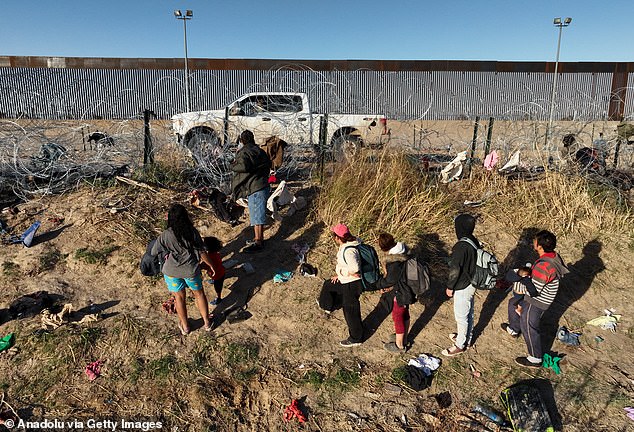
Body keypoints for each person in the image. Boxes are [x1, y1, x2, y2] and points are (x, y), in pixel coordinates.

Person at [501, 230, 569, 368]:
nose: (534, 242)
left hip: (538, 300)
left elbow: (534, 291)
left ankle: (535, 358)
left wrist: (520, 281)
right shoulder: (552, 256)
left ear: (539, 246)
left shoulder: (543, 267)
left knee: (528, 324)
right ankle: (514, 329)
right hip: (542, 293)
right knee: (512, 303)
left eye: (535, 241)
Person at [152, 204, 213, 335]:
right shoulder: (192, 232)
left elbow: (153, 251)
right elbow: (201, 251)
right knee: (199, 294)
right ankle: (207, 323)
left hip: (171, 272)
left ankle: (185, 327)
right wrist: (211, 265)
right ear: (186, 216)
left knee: (179, 298)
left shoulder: (165, 235)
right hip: (190, 270)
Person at [317, 223, 364, 347]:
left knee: (350, 311)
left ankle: (356, 338)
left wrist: (344, 272)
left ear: (337, 237)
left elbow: (354, 268)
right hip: (346, 279)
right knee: (328, 285)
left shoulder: (348, 250)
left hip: (351, 283)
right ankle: (328, 305)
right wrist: (340, 275)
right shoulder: (355, 242)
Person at [442, 214, 480, 357]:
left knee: (461, 316)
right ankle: (467, 339)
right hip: (472, 281)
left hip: (463, 285)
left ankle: (460, 345)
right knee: (468, 312)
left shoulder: (461, 246)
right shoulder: (473, 240)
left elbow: (455, 269)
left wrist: (450, 286)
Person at [373, 233, 414, 353]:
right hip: (409, 288)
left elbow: (390, 280)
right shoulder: (404, 250)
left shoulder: (394, 262)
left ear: (383, 248)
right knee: (405, 313)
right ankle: (403, 337)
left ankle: (400, 345)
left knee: (398, 316)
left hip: (401, 291)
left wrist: (380, 284)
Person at [231, 130, 272, 253]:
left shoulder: (244, 152)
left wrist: (232, 166)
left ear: (242, 141)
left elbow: (243, 167)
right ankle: (257, 238)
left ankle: (259, 242)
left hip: (255, 187)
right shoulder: (259, 151)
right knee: (256, 213)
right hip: (263, 184)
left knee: (257, 216)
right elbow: (268, 164)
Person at [201, 236, 225, 306]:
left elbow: (206, 265)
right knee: (217, 283)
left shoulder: (210, 257)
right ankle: (213, 280)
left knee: (217, 287)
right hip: (221, 272)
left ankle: (219, 298)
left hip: (218, 275)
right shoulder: (215, 253)